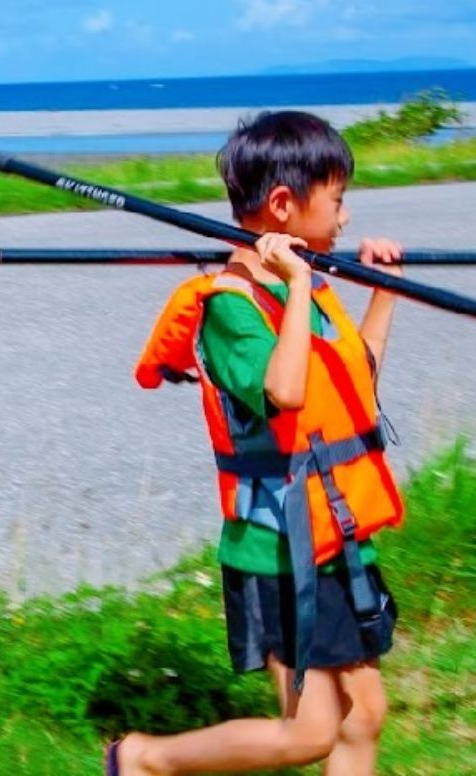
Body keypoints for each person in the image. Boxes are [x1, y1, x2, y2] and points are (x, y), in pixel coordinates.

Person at [117, 111, 405, 775]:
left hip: (335, 536)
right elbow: (287, 392)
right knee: (310, 733)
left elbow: (352, 384)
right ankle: (143, 759)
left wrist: (382, 292)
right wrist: (300, 286)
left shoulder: (307, 288)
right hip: (279, 552)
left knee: (364, 716)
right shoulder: (233, 306)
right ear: (283, 205)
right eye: (336, 201)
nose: (344, 217)